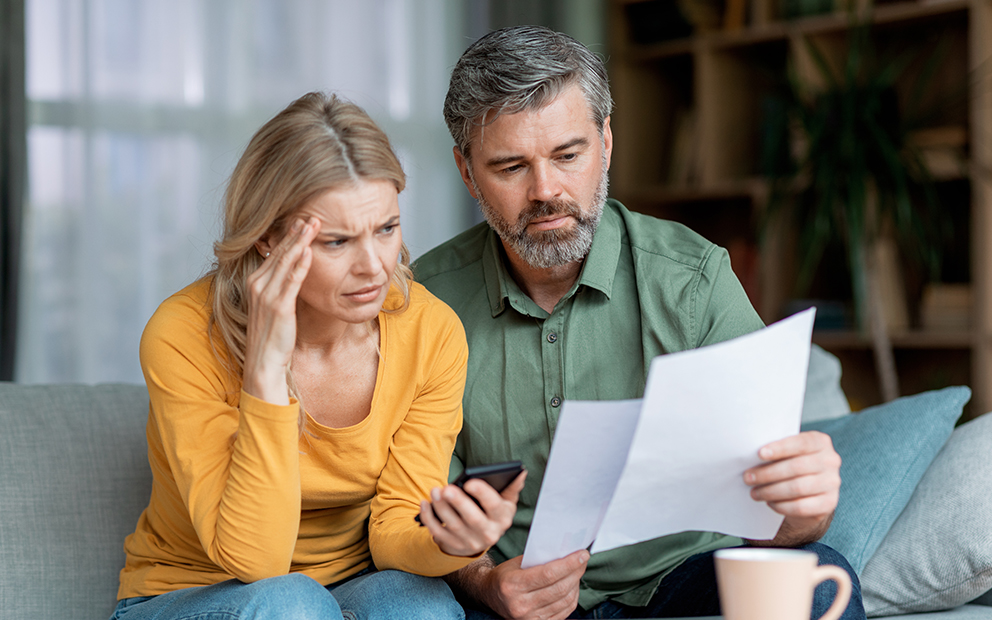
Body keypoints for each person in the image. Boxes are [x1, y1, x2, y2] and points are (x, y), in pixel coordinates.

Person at [413, 26, 866, 620]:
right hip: (509, 595)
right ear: (467, 172)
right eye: (510, 166)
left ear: (605, 141)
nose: (546, 190)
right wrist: (484, 583)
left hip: (679, 578)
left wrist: (806, 508)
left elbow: (772, 519)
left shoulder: (693, 279)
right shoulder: (423, 300)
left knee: (822, 585)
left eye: (568, 155)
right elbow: (413, 505)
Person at [112, 92, 524, 620]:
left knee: (423, 607)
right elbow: (254, 561)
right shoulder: (183, 334)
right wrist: (265, 370)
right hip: (192, 593)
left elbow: (396, 530)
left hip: (352, 585)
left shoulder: (430, 330)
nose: (374, 267)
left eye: (386, 229)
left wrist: (456, 541)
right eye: (336, 242)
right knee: (292, 605)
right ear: (266, 239)